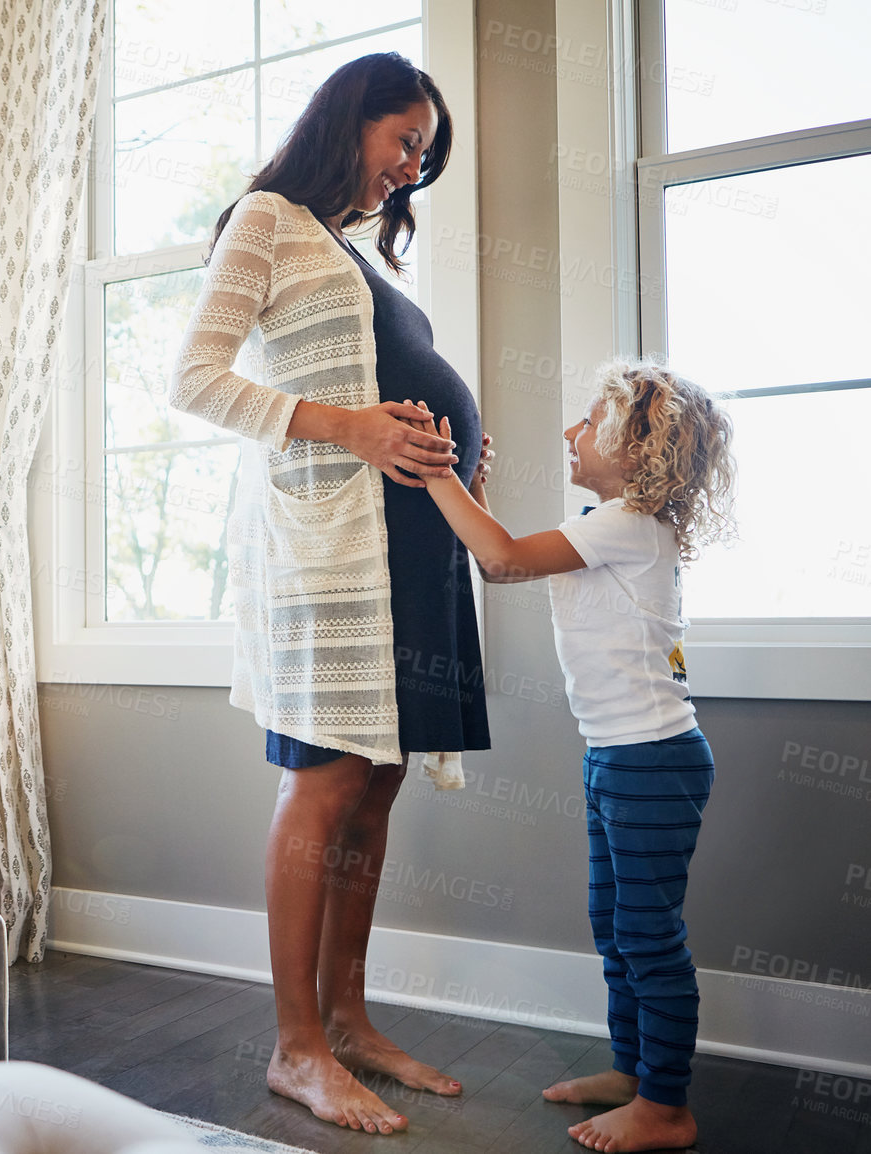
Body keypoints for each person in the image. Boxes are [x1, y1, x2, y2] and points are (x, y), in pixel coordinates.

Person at [168, 52, 490, 1135]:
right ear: (350, 118)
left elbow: (384, 385)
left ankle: (347, 1017)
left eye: (424, 155)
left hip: (410, 542)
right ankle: (295, 1045)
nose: (411, 167)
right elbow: (198, 379)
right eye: (405, 140)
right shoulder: (264, 218)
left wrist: (454, 459)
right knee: (323, 780)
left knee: (378, 781)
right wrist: (352, 427)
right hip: (330, 552)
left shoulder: (352, 251)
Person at [408, 359, 736, 1153]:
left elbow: (504, 559)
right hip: (618, 755)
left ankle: (667, 1106)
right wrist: (470, 491)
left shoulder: (628, 524)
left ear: (637, 448)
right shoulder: (610, 520)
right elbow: (503, 552)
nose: (569, 431)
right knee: (615, 925)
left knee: (648, 934)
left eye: (589, 420)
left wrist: (438, 474)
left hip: (650, 759)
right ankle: (635, 1073)